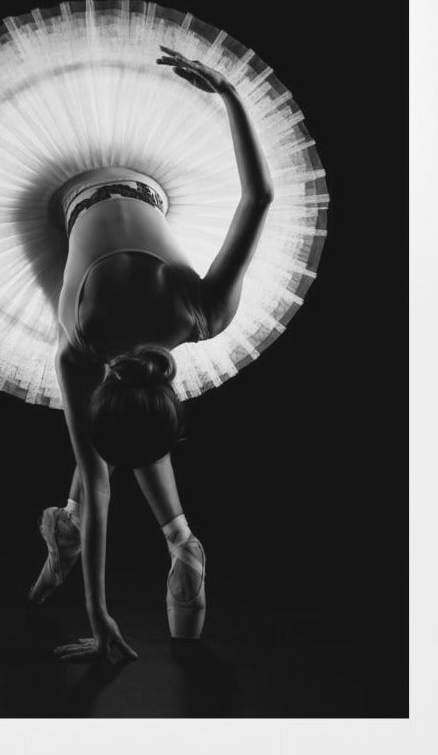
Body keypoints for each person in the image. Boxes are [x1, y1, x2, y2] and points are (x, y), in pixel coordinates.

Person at [28, 45, 274, 664]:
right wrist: (99, 616)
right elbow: (101, 479)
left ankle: (86, 532)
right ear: (103, 385)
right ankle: (174, 543)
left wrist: (228, 92)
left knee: (106, 461)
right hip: (75, 195)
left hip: (135, 184)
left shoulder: (204, 315)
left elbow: (260, 199)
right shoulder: (78, 344)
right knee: (106, 460)